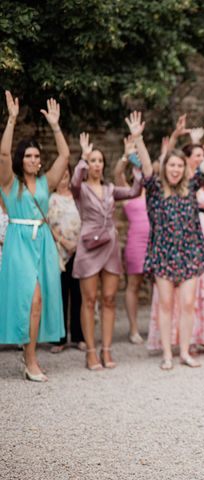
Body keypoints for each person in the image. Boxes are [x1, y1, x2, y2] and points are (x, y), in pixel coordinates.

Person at [128, 111, 204, 370]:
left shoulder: (191, 186)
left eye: (179, 165)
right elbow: (144, 164)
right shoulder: (153, 188)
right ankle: (167, 353)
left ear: (184, 168)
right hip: (163, 253)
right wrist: (138, 138)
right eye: (171, 165)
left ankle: (185, 352)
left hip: (190, 252)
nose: (175, 169)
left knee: (187, 304)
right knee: (166, 304)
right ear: (165, 167)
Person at [0, 92, 70, 382]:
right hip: (18, 241)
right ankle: (29, 359)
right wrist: (12, 119)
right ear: (21, 159)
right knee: (31, 299)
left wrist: (55, 126)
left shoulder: (46, 182)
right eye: (27, 155)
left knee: (39, 301)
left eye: (37, 156)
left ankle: (30, 355)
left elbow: (65, 156)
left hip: (42, 241)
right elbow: (3, 154)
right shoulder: (9, 182)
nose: (32, 159)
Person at [71, 132, 142, 370]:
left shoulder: (112, 189)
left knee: (110, 299)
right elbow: (73, 182)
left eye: (100, 161)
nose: (97, 165)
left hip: (110, 247)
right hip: (89, 247)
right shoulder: (79, 189)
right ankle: (90, 352)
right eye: (93, 161)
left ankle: (107, 349)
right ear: (87, 165)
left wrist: (134, 159)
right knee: (89, 300)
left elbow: (134, 192)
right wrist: (82, 156)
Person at [114, 136, 149, 344]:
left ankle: (154, 326)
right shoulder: (128, 189)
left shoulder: (155, 189)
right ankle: (134, 328)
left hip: (155, 241)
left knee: (158, 284)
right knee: (133, 284)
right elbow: (117, 172)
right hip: (136, 242)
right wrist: (126, 155)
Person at [48, 165, 84, 353]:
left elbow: (85, 219)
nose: (63, 178)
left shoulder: (77, 197)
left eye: (66, 174)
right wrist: (63, 241)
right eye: (60, 175)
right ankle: (59, 338)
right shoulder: (50, 199)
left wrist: (77, 244)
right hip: (58, 252)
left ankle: (79, 336)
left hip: (79, 250)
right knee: (59, 295)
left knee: (78, 294)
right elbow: (46, 222)